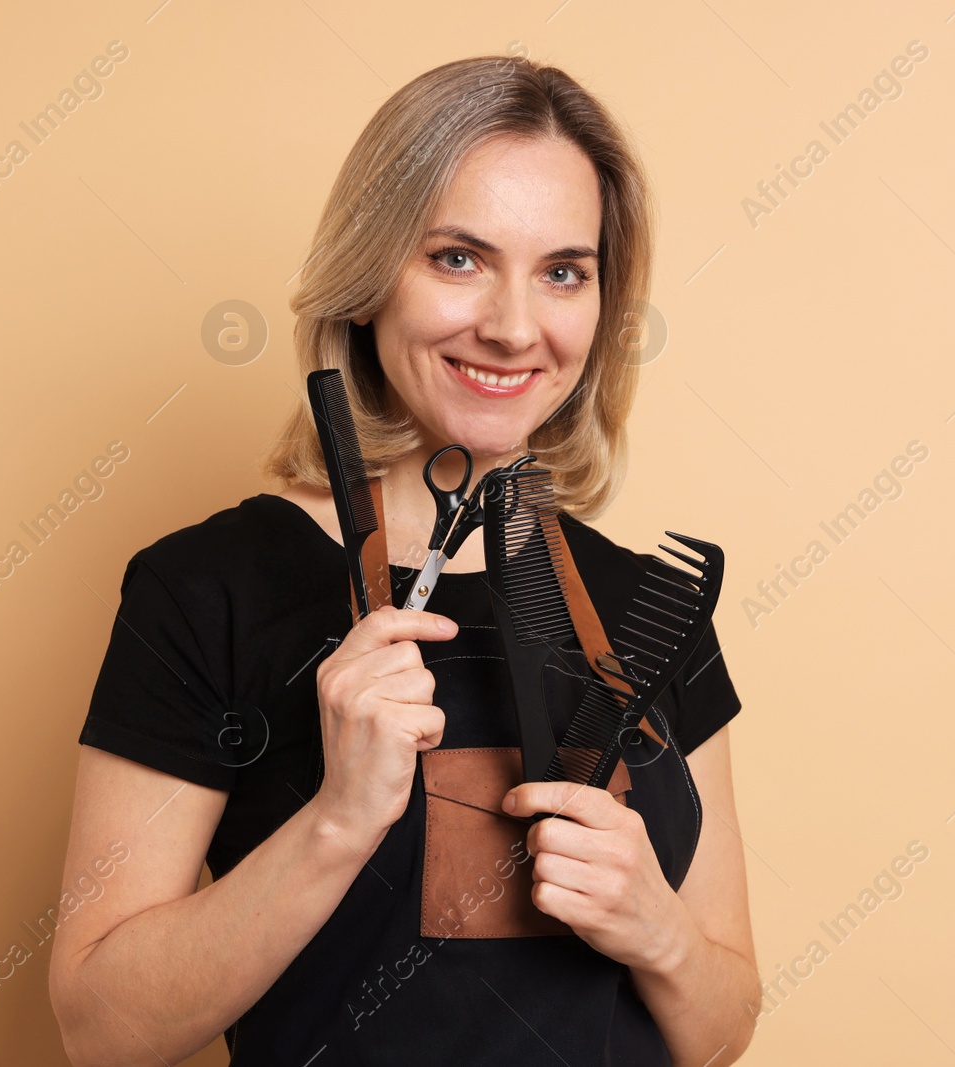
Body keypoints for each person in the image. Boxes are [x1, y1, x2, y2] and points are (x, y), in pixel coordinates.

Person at [49, 54, 759, 1065]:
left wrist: (659, 928)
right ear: (370, 274)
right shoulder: (206, 590)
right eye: (459, 257)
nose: (514, 327)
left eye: (563, 270)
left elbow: (723, 1022)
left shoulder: (652, 605)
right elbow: (100, 1028)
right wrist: (336, 822)